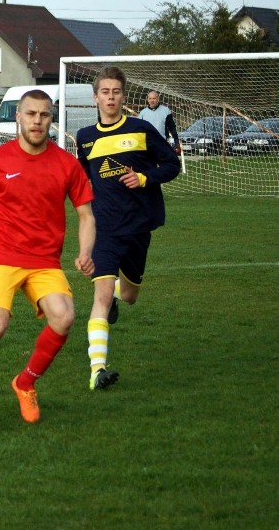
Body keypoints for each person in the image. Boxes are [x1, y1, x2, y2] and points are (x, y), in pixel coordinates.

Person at [0, 90, 96, 428]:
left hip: (45, 260)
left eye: (43, 115)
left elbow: (86, 214)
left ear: (51, 119)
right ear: (18, 117)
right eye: (30, 114)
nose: (37, 121)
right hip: (3, 255)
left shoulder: (67, 164)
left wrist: (85, 252)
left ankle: (25, 383)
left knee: (64, 317)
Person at [77, 67, 180, 390]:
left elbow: (172, 164)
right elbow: (81, 182)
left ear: (124, 96)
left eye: (116, 92)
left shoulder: (141, 129)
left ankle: (120, 297)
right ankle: (97, 370)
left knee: (130, 294)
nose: (110, 97)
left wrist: (145, 178)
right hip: (103, 228)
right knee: (102, 294)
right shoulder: (85, 138)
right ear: (96, 97)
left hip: (137, 226)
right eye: (105, 92)